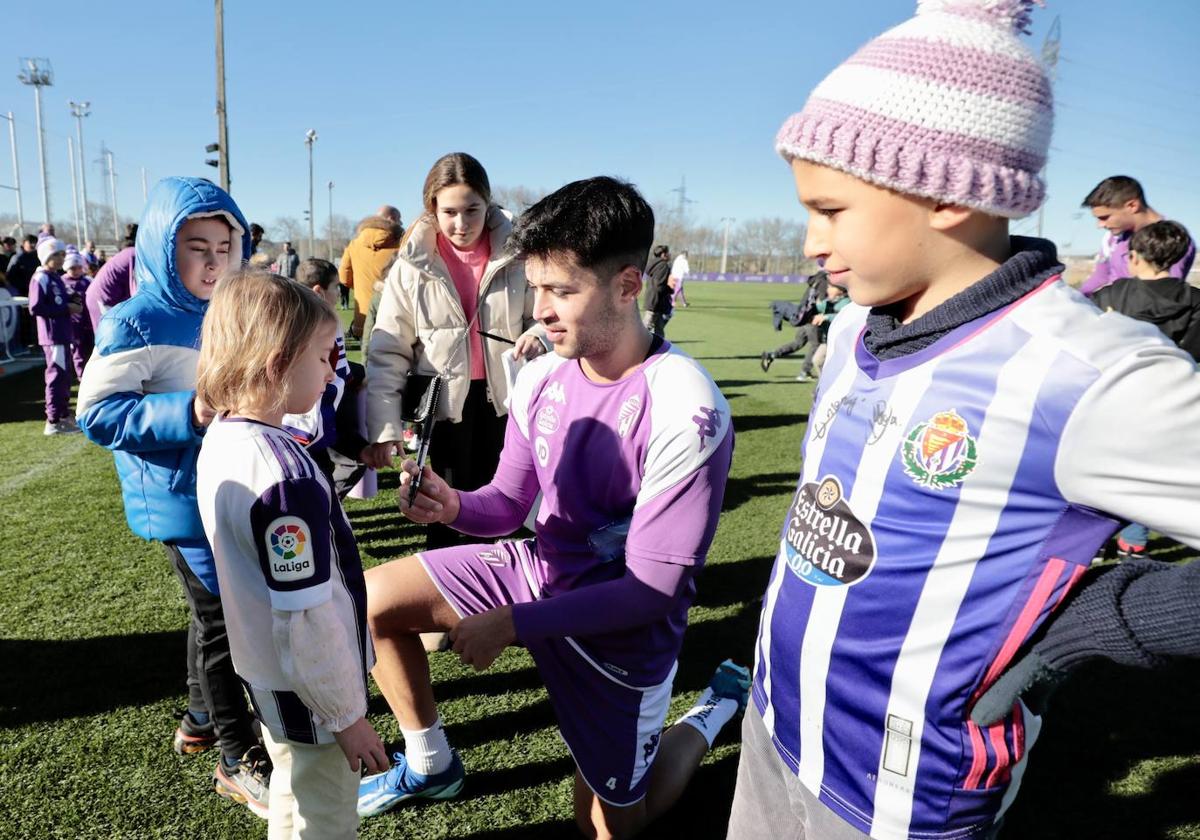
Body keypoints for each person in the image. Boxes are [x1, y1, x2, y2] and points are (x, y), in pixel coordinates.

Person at [730, 3, 1200, 839]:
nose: (809, 241)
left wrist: (1100, 618)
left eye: (830, 210)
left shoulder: (1089, 374)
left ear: (943, 194)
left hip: (901, 801)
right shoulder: (850, 328)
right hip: (774, 731)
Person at [357, 176, 748, 838]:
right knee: (367, 603)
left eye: (562, 291)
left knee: (613, 826)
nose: (539, 309)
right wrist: (451, 503)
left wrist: (511, 624)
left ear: (628, 287)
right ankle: (429, 764)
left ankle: (708, 715)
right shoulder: (540, 375)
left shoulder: (689, 408)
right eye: (535, 287)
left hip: (621, 636)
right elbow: (508, 502)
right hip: (539, 575)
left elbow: (651, 593)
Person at [76, 177, 270, 818]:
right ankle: (237, 757)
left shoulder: (235, 307)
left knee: (212, 615)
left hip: (235, 486)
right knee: (223, 620)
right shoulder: (135, 319)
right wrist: (190, 411)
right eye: (197, 247)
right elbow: (99, 414)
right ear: (162, 247)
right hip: (181, 499)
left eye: (225, 245)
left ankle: (197, 717)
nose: (214, 261)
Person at [196, 269, 387, 838]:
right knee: (325, 812)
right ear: (277, 360)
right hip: (307, 686)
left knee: (292, 785)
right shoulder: (283, 475)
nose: (332, 372)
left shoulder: (226, 435)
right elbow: (304, 616)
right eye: (323, 358)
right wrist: (346, 717)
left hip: (267, 670)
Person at [364, 152, 547, 550]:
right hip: (445, 410)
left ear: (488, 203)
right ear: (432, 208)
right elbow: (388, 349)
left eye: (472, 210)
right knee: (443, 511)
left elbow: (551, 313)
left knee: (511, 508)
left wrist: (539, 336)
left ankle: (509, 593)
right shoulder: (411, 265)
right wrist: (383, 428)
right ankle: (447, 595)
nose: (461, 223)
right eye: (449, 212)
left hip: (509, 404)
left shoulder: (520, 253)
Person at [287, 257, 371, 498]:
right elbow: (339, 371)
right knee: (342, 465)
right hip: (319, 417)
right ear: (319, 291)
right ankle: (326, 505)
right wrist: (355, 377)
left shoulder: (293, 315)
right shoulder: (326, 321)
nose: (339, 292)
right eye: (336, 287)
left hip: (301, 421)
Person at [1078, 176, 1196, 296]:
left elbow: (1165, 295)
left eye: (1105, 217)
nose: (1100, 225)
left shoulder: (1173, 240)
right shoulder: (1112, 238)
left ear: (1132, 206)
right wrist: (1076, 301)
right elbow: (1100, 278)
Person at [27, 237, 82, 435]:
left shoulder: (54, 276)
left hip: (63, 333)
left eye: (62, 254)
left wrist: (74, 300)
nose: (61, 258)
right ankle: (53, 420)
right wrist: (65, 307)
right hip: (53, 336)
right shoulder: (40, 277)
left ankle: (63, 414)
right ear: (45, 256)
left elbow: (66, 297)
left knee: (65, 377)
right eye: (56, 255)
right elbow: (35, 307)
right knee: (56, 377)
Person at [339, 209, 403, 338]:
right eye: (399, 219)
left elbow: (344, 278)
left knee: (366, 356)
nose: (401, 223)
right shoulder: (403, 244)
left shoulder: (354, 245)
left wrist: (364, 286)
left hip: (363, 318)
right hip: (395, 319)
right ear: (391, 219)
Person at [760, 271, 836, 379]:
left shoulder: (816, 281)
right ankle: (804, 372)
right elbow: (820, 301)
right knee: (816, 345)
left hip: (802, 315)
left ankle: (771, 355)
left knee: (798, 343)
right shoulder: (823, 283)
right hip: (812, 318)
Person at [85, 224, 138, 333]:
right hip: (102, 298)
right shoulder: (134, 254)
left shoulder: (130, 252)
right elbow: (136, 292)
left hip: (107, 298)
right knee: (109, 338)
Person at [61, 251, 94, 377]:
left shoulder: (87, 281)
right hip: (73, 322)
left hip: (88, 320)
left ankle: (93, 372)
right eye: (72, 268)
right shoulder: (62, 282)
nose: (76, 270)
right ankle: (81, 374)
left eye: (79, 267)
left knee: (91, 347)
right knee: (77, 348)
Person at [641, 244, 673, 337]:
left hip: (653, 299)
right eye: (668, 253)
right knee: (647, 325)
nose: (669, 255)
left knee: (659, 327)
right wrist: (669, 290)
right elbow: (659, 285)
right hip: (656, 301)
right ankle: (633, 345)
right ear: (663, 254)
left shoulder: (654, 264)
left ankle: (660, 346)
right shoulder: (663, 266)